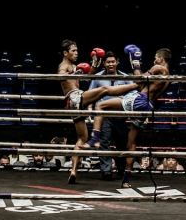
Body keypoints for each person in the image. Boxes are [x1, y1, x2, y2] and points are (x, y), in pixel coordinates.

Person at [89, 47, 172, 187]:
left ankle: (94, 138)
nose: (154, 60)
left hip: (140, 100)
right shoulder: (168, 75)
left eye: (155, 58)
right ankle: (126, 179)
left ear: (161, 58)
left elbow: (139, 81)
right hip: (148, 106)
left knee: (101, 104)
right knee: (131, 143)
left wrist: (136, 63)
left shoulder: (158, 68)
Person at [57, 39, 120, 184]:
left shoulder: (73, 66)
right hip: (74, 97)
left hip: (75, 102)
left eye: (77, 50)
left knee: (82, 138)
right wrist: (77, 72)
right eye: (73, 51)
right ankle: (134, 88)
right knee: (104, 90)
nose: (76, 53)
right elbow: (61, 76)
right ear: (65, 53)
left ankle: (73, 171)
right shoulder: (64, 66)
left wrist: (94, 64)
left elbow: (88, 75)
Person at [87, 51, 132, 180]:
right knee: (104, 142)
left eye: (113, 62)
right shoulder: (97, 77)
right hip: (104, 115)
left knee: (122, 143)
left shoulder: (125, 77)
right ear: (104, 64)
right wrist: (89, 110)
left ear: (117, 62)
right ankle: (106, 171)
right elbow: (90, 94)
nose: (111, 64)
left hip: (120, 115)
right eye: (108, 62)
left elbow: (132, 94)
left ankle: (121, 169)